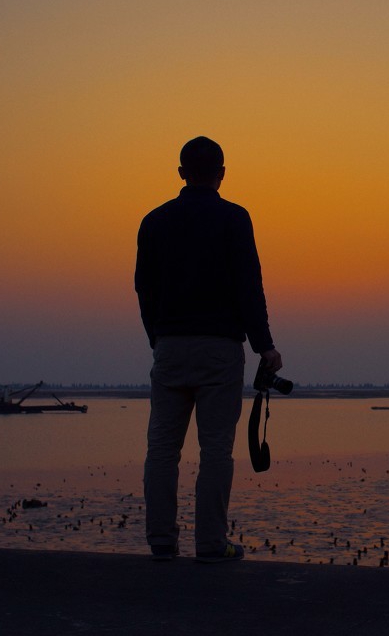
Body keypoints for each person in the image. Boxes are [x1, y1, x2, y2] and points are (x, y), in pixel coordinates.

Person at [134, 136, 283, 563]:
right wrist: (265, 346)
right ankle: (211, 544)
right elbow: (248, 287)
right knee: (216, 448)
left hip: (171, 348)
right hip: (220, 348)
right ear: (222, 173)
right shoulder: (234, 219)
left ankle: (162, 541)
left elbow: (144, 289)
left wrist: (157, 338)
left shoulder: (154, 221)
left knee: (162, 446)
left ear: (181, 173)